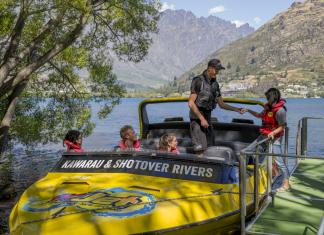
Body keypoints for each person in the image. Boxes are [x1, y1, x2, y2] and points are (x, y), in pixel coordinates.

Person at [188, 58, 247, 153]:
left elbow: (222, 104)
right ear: (209, 68)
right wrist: (201, 119)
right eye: (216, 69)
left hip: (207, 119)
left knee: (210, 147)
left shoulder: (215, 85)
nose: (217, 72)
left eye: (219, 70)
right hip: (197, 119)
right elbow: (191, 103)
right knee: (200, 150)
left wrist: (237, 109)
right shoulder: (198, 81)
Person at [247, 87, 290, 191]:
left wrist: (273, 133)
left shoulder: (280, 111)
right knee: (248, 150)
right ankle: (249, 176)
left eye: (268, 97)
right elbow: (258, 115)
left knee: (279, 162)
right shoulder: (267, 108)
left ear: (273, 97)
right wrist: (248, 110)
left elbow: (282, 126)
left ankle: (286, 184)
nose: (266, 99)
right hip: (263, 136)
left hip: (274, 139)